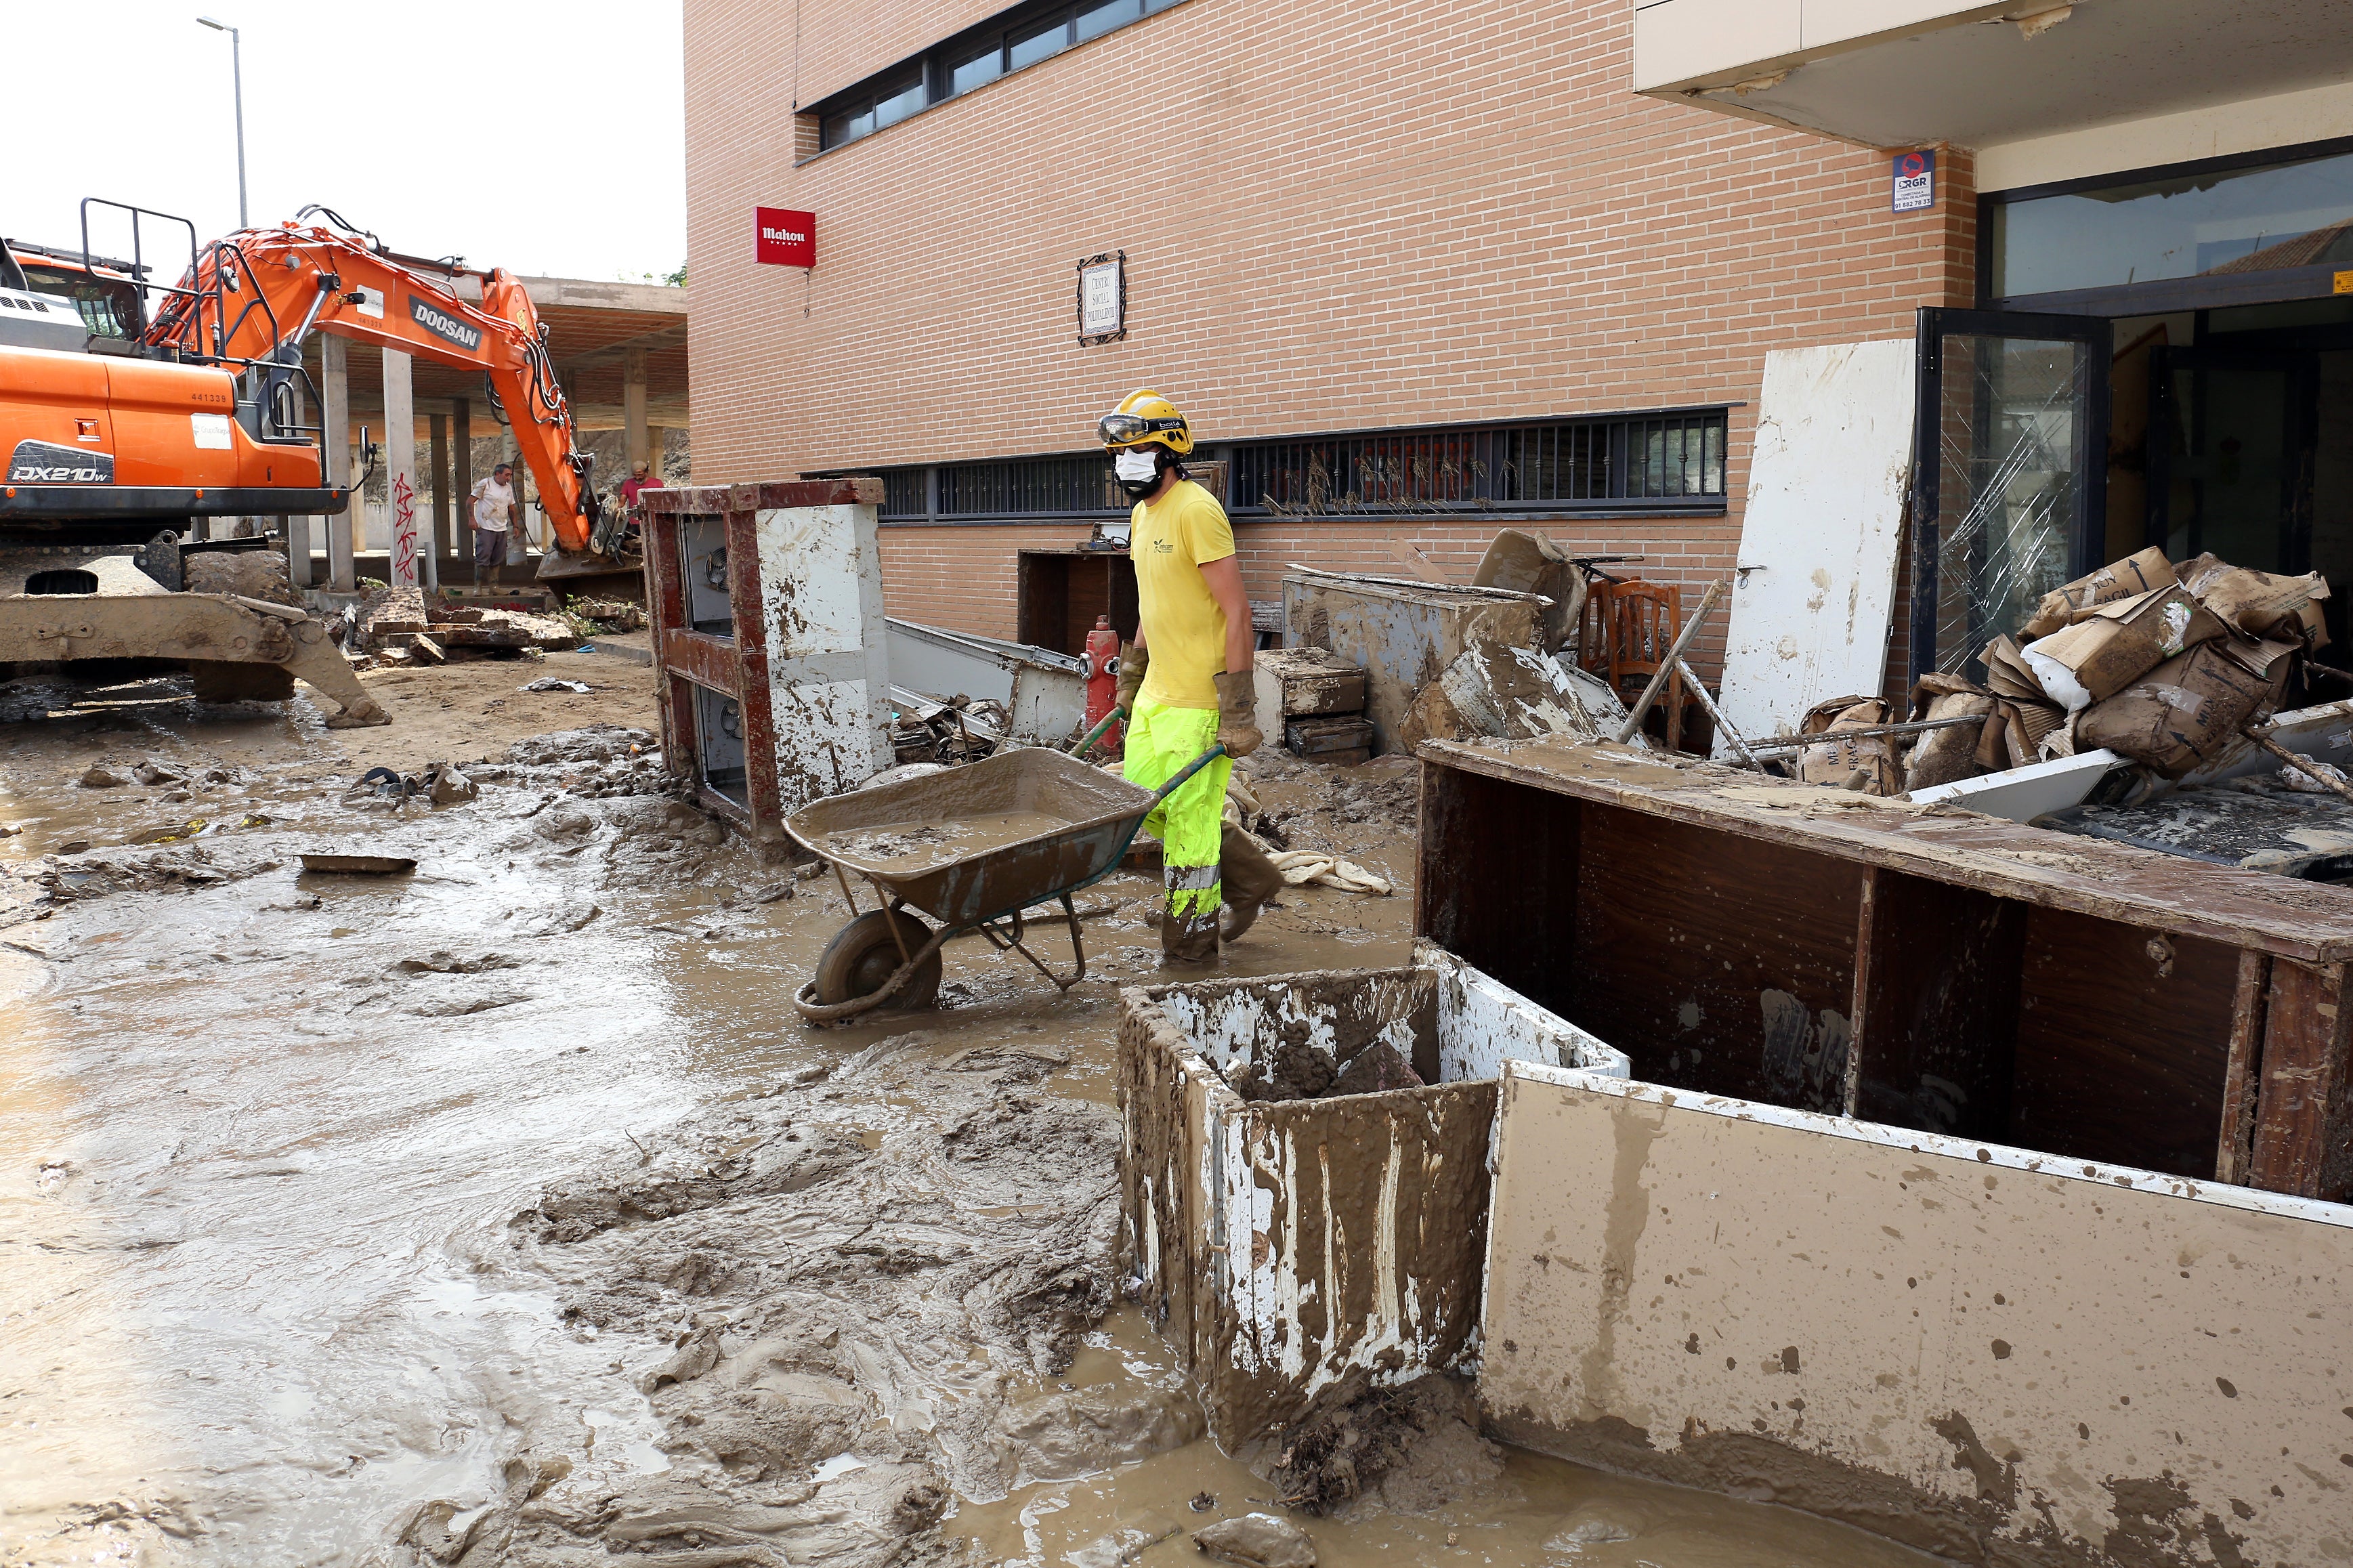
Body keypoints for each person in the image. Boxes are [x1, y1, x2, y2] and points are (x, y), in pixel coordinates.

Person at [1099, 389, 1286, 964]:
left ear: (1169, 451)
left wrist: (1237, 708)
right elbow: (1152, 605)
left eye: (1138, 450)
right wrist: (1130, 677)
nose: (1126, 462)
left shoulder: (1197, 510)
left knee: (1190, 825)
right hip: (1157, 696)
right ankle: (1253, 876)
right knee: (1144, 807)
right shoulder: (1139, 514)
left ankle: (1191, 941)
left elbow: (1238, 612)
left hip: (1201, 702)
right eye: (1120, 453)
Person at [468, 462, 515, 585]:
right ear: (497, 474)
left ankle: (494, 586)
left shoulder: (508, 488)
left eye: (510, 475)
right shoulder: (486, 484)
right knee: (482, 558)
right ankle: (478, 587)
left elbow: (511, 508)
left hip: (501, 528)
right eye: (506, 475)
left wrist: (515, 526)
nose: (508, 478)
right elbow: (470, 501)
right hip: (485, 527)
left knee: (498, 559)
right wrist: (472, 519)